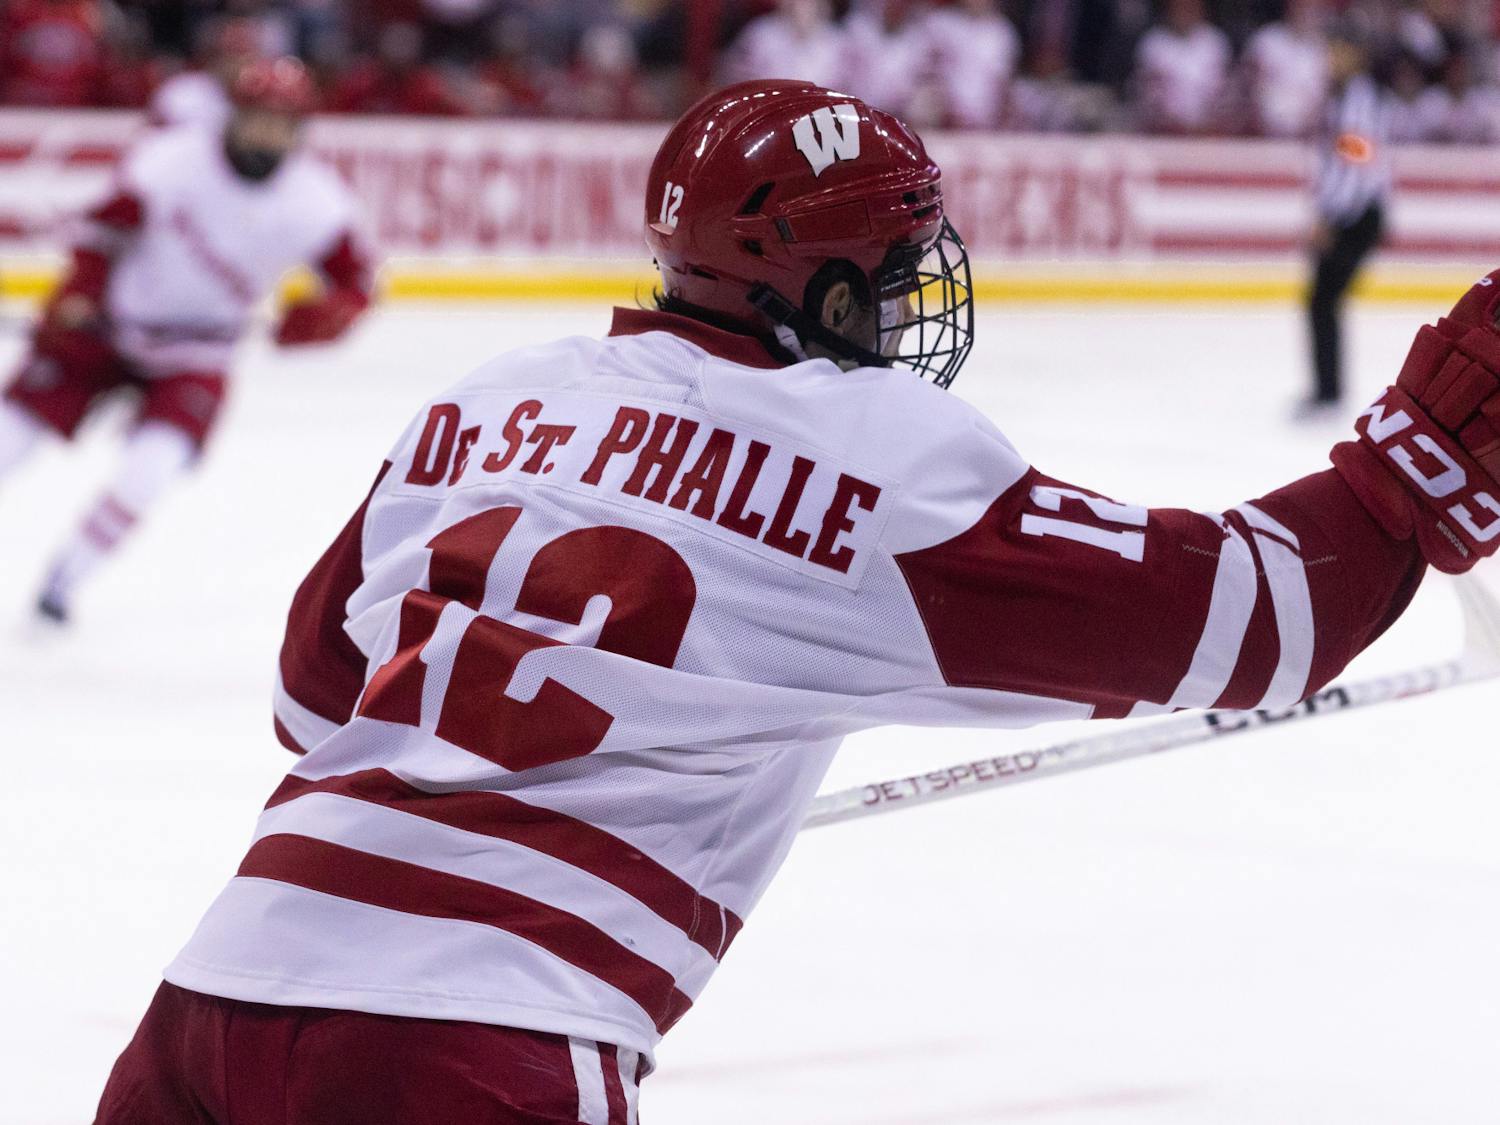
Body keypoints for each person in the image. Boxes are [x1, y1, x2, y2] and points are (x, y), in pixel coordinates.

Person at [94, 79, 1500, 1124]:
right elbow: (1257, 623)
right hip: (474, 1043)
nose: (910, 297)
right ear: (823, 280)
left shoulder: (494, 395)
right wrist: (1412, 472)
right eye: (894, 266)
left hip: (206, 1009)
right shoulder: (881, 461)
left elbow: (311, 699)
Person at [0, 57, 374, 625]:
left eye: (282, 122)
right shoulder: (173, 159)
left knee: (153, 467)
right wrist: (77, 294)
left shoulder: (317, 201)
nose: (267, 133)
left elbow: (356, 284)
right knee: (11, 439)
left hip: (197, 354)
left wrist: (311, 322)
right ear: (234, 115)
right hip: (108, 327)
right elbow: (104, 231)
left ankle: (64, 580)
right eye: (258, 118)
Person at [1305, 23, 1391, 414]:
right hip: (1356, 212)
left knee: (1322, 299)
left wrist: (1329, 217)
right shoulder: (1349, 98)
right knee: (1323, 300)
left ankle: (1328, 392)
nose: (1330, 60)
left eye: (1337, 51)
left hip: (1354, 214)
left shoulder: (1357, 101)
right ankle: (1328, 389)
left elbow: (1355, 165)